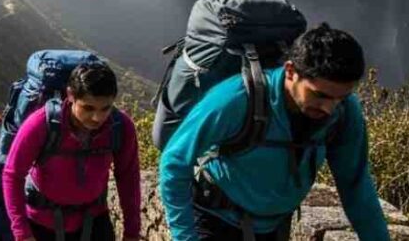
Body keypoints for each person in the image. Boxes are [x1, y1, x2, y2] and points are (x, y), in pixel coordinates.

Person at [159, 23, 390, 241]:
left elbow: (355, 185)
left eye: (341, 98)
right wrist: (185, 237)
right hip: (213, 222)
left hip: (274, 228)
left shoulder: (345, 112)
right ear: (291, 71)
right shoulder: (236, 99)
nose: (329, 108)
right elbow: (175, 160)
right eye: (320, 95)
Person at [1, 62, 139, 241]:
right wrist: (22, 233)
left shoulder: (120, 127)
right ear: (71, 95)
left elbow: (129, 178)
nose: (97, 117)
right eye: (88, 108)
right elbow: (13, 175)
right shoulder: (41, 124)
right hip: (42, 223)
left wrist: (132, 232)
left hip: (94, 222)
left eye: (105, 108)